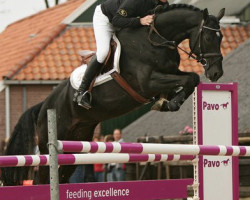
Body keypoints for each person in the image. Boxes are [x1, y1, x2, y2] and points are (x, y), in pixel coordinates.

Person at [74, 0, 169, 109]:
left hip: (127, 22)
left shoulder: (163, 4)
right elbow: (116, 20)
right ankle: (81, 92)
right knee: (103, 53)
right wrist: (140, 21)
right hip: (106, 19)